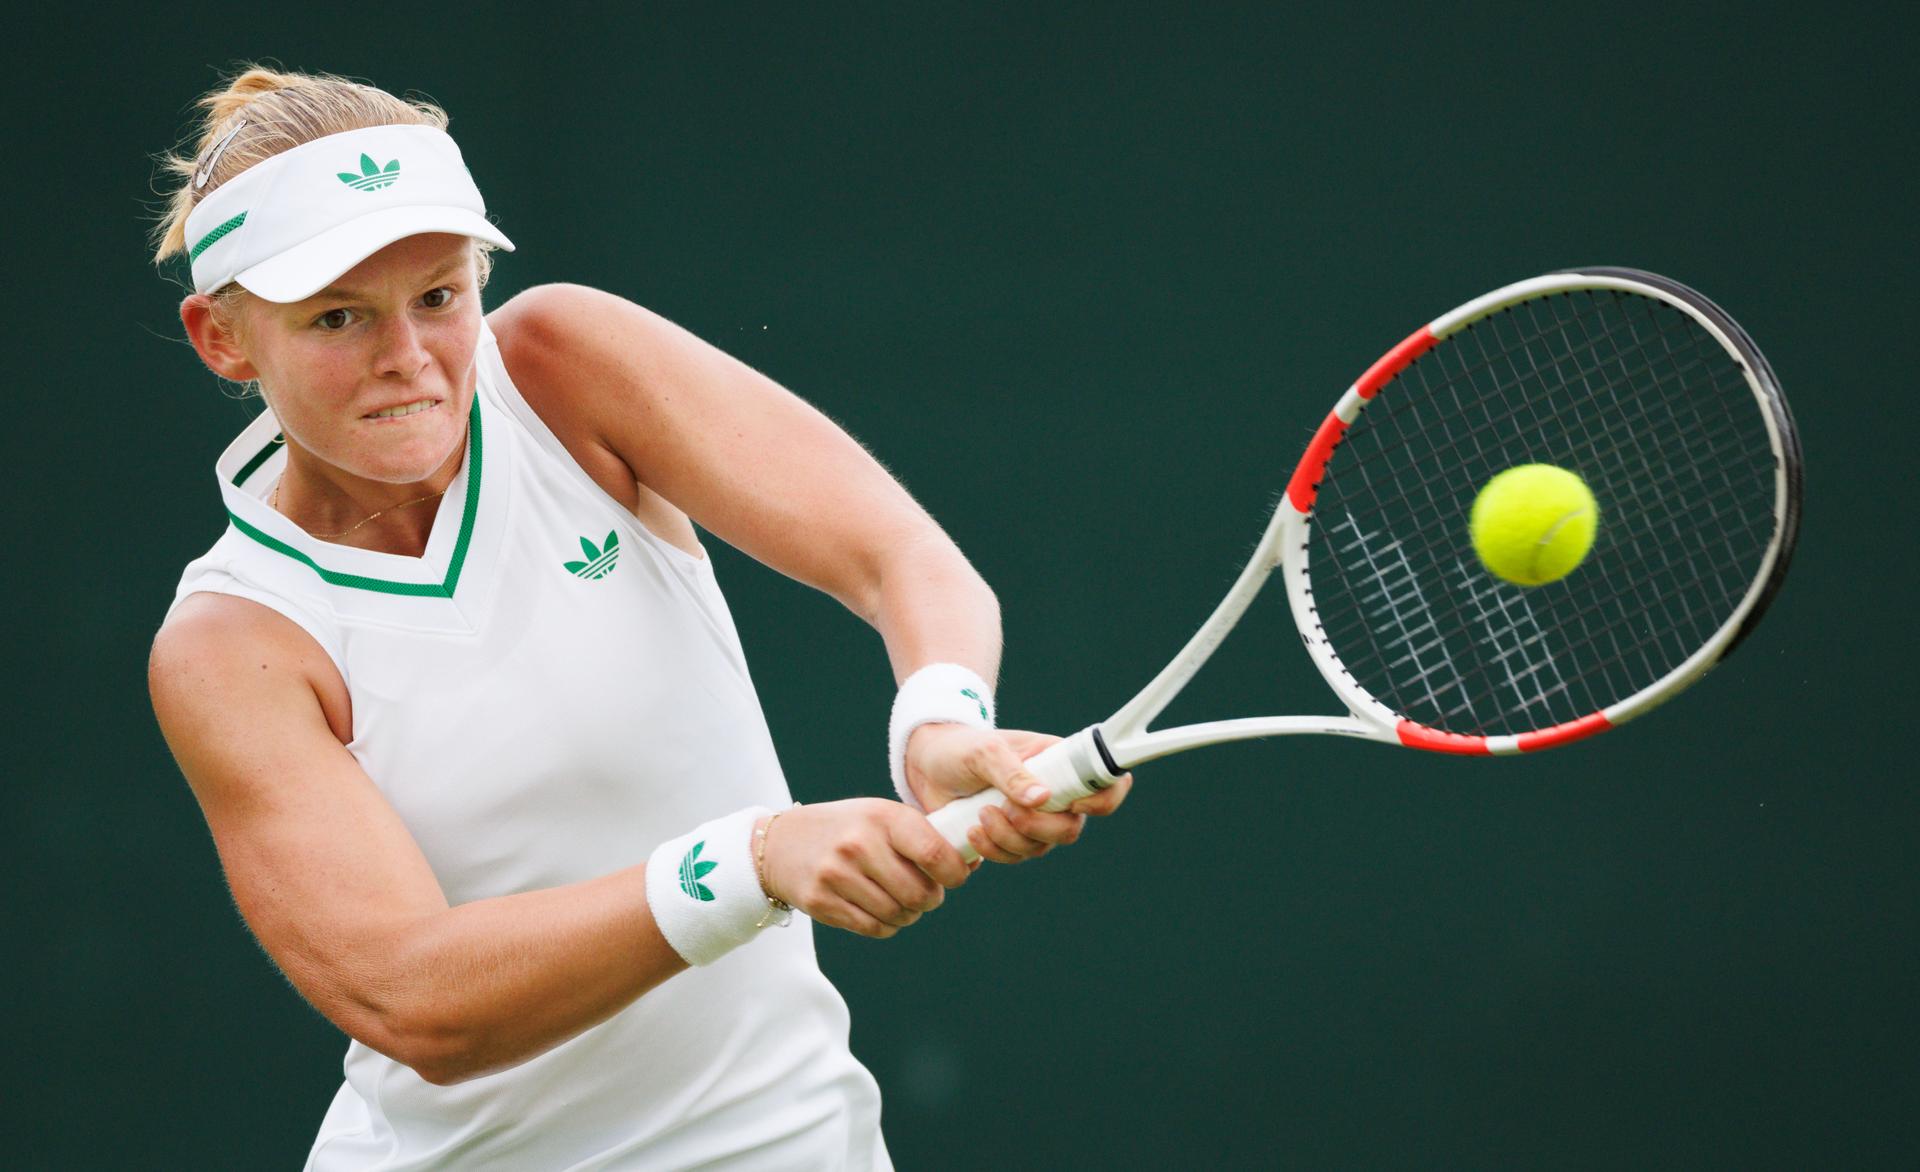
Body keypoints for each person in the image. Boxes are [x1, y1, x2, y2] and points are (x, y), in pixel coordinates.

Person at [146, 66, 1130, 1170]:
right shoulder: (233, 645)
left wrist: (938, 721)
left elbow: (900, 556)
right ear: (222, 338)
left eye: (439, 295)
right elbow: (416, 995)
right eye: (340, 317)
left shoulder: (565, 365)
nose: (410, 359)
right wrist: (749, 861)